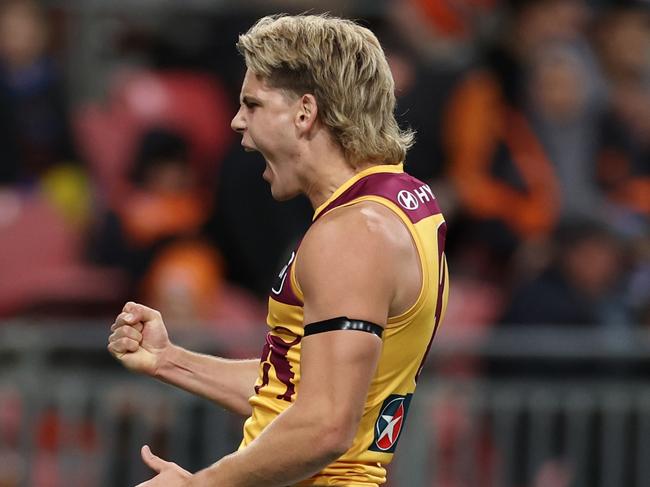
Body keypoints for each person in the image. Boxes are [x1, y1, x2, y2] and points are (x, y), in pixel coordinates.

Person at [107, 13, 449, 487]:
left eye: (252, 103)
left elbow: (326, 426)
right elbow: (298, 391)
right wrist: (170, 360)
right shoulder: (404, 205)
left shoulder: (352, 234)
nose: (237, 121)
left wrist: (199, 485)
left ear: (304, 112)